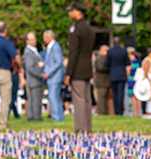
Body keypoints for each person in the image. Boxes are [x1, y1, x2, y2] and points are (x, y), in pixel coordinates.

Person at [65, 2, 95, 133]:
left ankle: (80, 128)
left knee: (79, 99)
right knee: (87, 99)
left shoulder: (75, 29)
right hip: (87, 67)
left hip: (77, 68)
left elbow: (73, 53)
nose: (69, 13)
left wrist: (68, 73)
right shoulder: (89, 28)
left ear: (78, 12)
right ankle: (87, 127)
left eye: (71, 11)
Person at [43, 29, 66, 122]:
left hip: (55, 76)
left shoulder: (55, 47)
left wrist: (49, 72)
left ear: (48, 37)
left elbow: (58, 62)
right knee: (56, 97)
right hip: (54, 76)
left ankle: (57, 117)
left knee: (53, 97)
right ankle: (60, 117)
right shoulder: (52, 47)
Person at [104, 37, 130, 116]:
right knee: (121, 93)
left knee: (115, 93)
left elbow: (106, 63)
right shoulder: (124, 51)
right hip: (122, 74)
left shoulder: (110, 52)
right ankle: (120, 111)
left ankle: (116, 110)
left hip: (113, 74)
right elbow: (127, 62)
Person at [23, 32, 45, 121]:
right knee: (36, 99)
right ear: (27, 41)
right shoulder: (29, 52)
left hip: (34, 79)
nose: (34, 41)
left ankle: (31, 116)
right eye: (31, 39)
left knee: (33, 99)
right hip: (34, 79)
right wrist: (40, 74)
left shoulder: (32, 50)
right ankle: (37, 116)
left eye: (34, 39)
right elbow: (30, 67)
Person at [94, 45, 110, 115]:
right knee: (101, 99)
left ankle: (105, 112)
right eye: (106, 50)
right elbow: (100, 68)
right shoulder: (99, 58)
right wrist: (109, 67)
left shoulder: (105, 58)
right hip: (101, 82)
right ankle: (101, 113)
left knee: (105, 99)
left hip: (106, 81)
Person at [127, 47, 141, 117]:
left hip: (131, 79)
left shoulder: (130, 62)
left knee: (133, 96)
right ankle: (139, 112)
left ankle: (135, 112)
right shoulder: (137, 61)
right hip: (137, 79)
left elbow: (128, 71)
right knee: (138, 96)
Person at [9, 36, 21, 119]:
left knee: (11, 95)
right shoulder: (15, 52)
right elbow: (17, 61)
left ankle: (16, 114)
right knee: (13, 95)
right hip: (13, 73)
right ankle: (8, 111)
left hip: (8, 74)